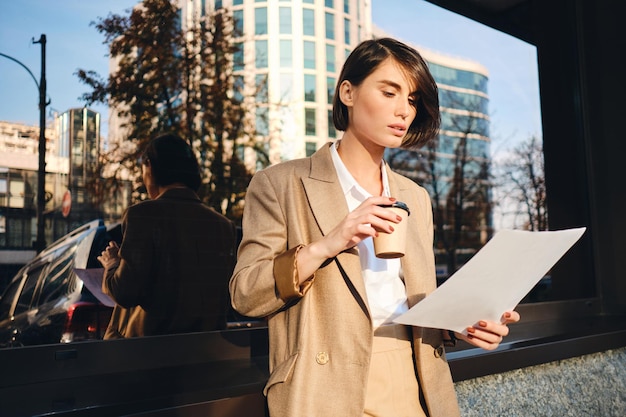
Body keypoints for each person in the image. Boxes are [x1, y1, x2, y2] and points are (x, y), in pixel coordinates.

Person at [229, 38, 520, 417]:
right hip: (322, 387)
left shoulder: (415, 197)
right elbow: (246, 294)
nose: (403, 110)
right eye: (389, 92)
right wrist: (328, 244)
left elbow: (414, 304)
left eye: (413, 100)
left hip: (413, 380)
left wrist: (460, 326)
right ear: (347, 92)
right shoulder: (281, 183)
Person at [98, 133, 237, 339]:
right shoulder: (224, 225)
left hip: (147, 355)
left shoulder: (143, 215)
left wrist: (113, 264)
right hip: (206, 351)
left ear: (150, 167)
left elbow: (124, 292)